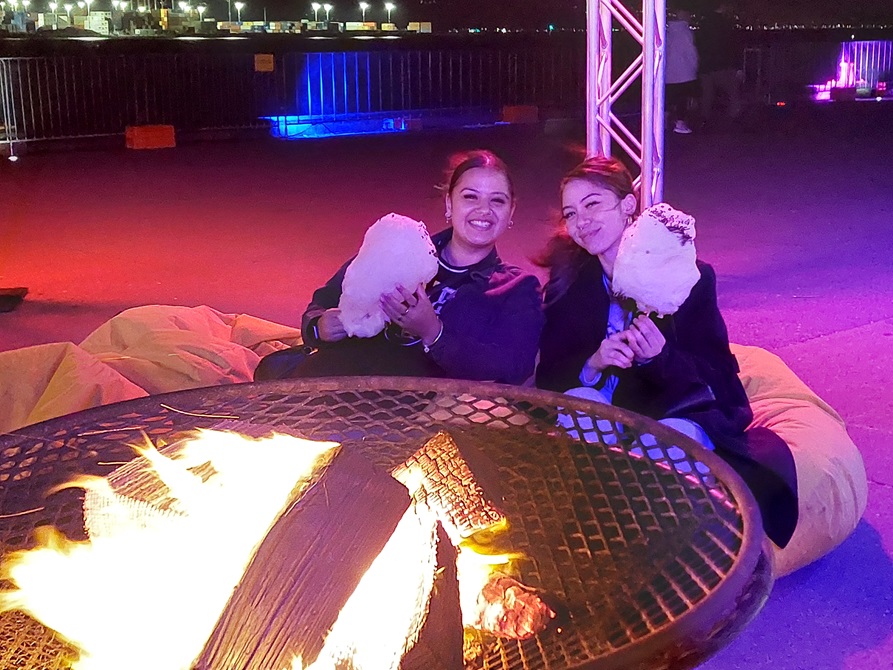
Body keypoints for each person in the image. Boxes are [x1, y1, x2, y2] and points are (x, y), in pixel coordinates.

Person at [535, 155, 798, 548]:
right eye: (571, 213)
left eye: (593, 204)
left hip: (673, 410)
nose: (581, 222)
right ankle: (592, 537)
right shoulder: (571, 282)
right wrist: (594, 362)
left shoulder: (688, 276)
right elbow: (549, 378)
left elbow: (717, 376)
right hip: (607, 416)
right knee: (582, 406)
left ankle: (650, 552)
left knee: (666, 443)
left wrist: (661, 358)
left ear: (627, 205)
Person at [254, 150, 544, 385]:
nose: (484, 210)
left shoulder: (517, 288)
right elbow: (323, 302)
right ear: (449, 203)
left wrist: (434, 332)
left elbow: (514, 366)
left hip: (407, 417)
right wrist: (321, 327)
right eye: (470, 197)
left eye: (497, 201)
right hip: (334, 382)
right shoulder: (401, 248)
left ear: (511, 212)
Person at [696, 2, 743, 125]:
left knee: (707, 95)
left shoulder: (704, 23)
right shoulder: (726, 24)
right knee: (733, 91)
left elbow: (699, 44)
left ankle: (704, 120)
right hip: (721, 64)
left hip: (706, 65)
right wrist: (736, 66)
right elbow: (732, 46)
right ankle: (734, 119)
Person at [665, 5, 699, 135]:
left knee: (668, 98)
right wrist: (694, 66)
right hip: (684, 72)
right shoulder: (686, 32)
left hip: (668, 71)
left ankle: (663, 121)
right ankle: (680, 123)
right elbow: (691, 52)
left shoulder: (668, 31)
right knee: (681, 98)